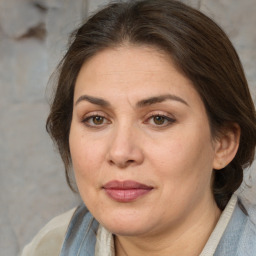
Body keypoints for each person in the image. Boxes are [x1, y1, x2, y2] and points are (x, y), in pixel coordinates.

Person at [21, 0, 256, 255]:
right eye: (96, 119)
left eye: (159, 119)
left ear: (223, 143)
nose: (121, 153)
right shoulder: (51, 246)